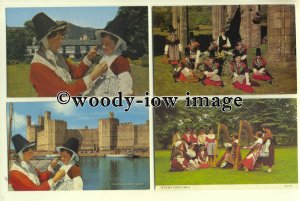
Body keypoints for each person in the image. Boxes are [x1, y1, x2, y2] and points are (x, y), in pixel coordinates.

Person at [29, 12, 107, 97]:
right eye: (57, 39)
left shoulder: (57, 56)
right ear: (45, 41)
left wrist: (89, 57)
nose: (60, 42)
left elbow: (76, 73)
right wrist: (93, 76)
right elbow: (64, 93)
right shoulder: (38, 66)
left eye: (61, 38)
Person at [83, 28, 133, 96]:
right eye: (102, 43)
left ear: (117, 44)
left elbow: (125, 84)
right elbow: (95, 78)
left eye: (107, 44)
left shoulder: (120, 60)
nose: (103, 46)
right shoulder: (103, 58)